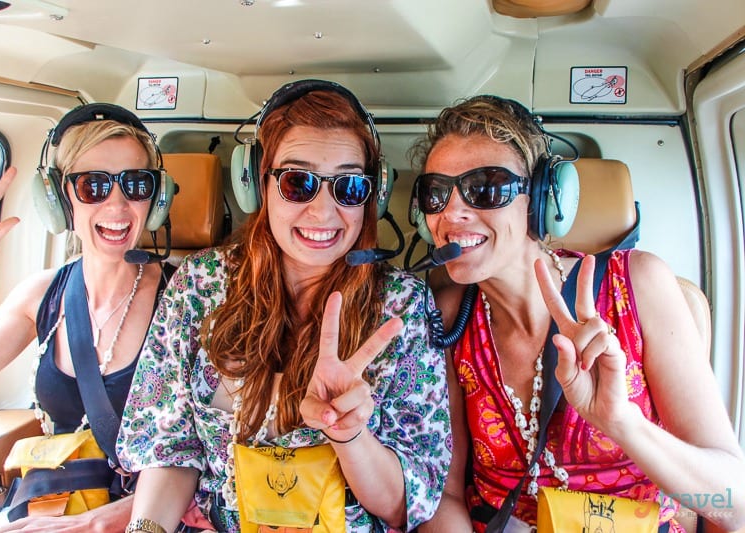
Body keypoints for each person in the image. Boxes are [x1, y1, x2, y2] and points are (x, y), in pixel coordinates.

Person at [116, 80, 451, 533]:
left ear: (371, 194)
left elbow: (405, 505)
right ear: (258, 183)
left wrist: (349, 434)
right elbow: (170, 451)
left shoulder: (402, 308)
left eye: (349, 186)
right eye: (299, 182)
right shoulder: (198, 286)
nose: (323, 212)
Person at [411, 95, 745, 532]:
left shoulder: (638, 286)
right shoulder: (446, 314)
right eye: (436, 193)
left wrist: (624, 424)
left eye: (485, 187)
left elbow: (730, 502)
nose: (452, 213)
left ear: (542, 200)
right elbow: (446, 496)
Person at [0, 103, 176, 532]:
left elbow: (209, 457)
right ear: (58, 198)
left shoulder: (185, 298)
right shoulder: (43, 295)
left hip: (148, 521)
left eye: (136, 184)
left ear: (156, 197)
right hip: (48, 511)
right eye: (93, 186)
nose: (118, 204)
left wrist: (96, 524)